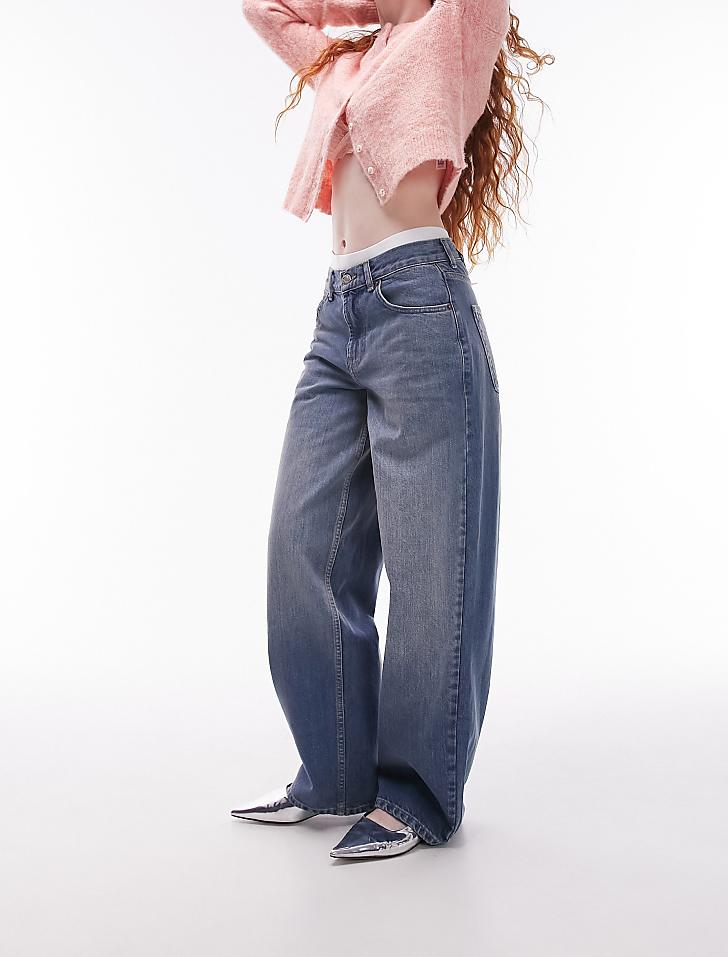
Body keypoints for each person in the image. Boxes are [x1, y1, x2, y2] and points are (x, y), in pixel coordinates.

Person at [231, 0, 552, 860]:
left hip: (419, 310)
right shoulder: (349, 56)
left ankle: (415, 796)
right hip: (338, 314)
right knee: (301, 545)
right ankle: (334, 773)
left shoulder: (456, 30)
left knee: (433, 570)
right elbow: (265, 9)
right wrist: (359, 9)